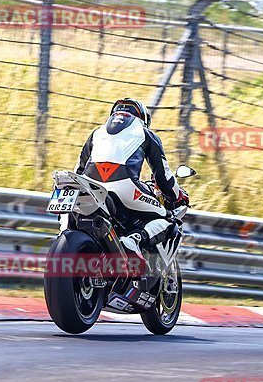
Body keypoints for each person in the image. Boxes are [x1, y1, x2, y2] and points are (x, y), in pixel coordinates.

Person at [74, 98, 190, 261]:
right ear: (143, 118)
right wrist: (177, 197)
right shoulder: (146, 134)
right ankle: (133, 240)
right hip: (126, 190)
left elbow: (79, 169)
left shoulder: (97, 133)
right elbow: (163, 177)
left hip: (89, 187)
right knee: (169, 221)